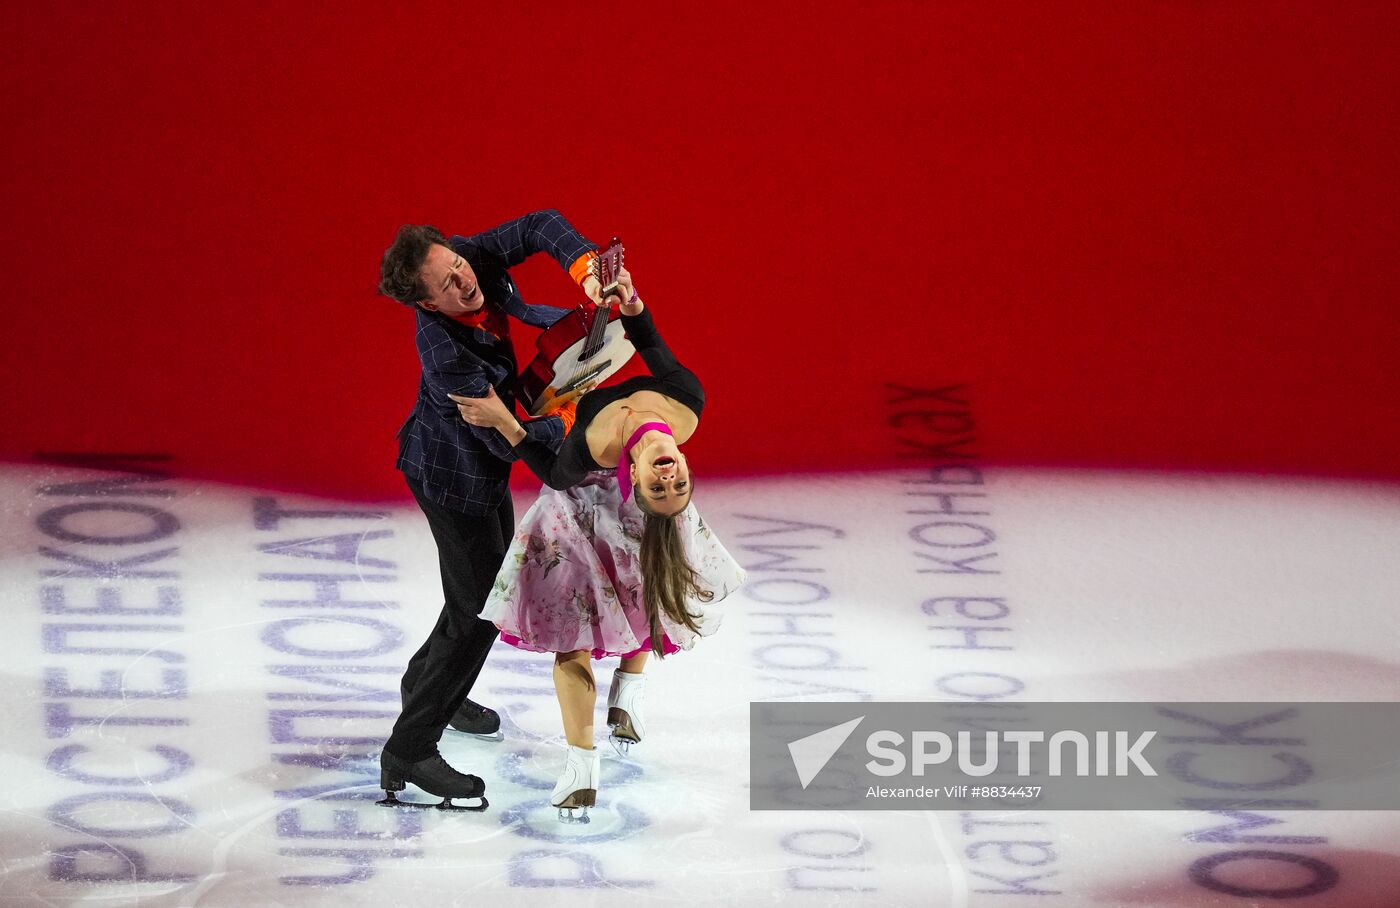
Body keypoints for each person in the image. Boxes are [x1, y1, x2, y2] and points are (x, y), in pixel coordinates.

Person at [451, 265, 746, 821]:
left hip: (577, 506)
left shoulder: (593, 448)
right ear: (682, 464)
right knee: (584, 634)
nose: (668, 479)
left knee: (645, 597)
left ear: (635, 482)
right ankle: (584, 767)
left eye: (662, 486)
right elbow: (650, 341)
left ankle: (625, 700)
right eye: (676, 481)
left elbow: (545, 465)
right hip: (593, 512)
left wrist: (503, 422)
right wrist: (631, 301)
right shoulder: (686, 402)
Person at [375, 210, 606, 812]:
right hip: (454, 481)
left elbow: (541, 225)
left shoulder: (468, 257)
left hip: (477, 475)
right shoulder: (443, 353)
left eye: (457, 265)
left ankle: (428, 692)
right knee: (479, 611)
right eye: (448, 284)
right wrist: (566, 420)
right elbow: (500, 437)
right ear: (426, 304)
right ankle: (410, 745)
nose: (464, 280)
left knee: (476, 599)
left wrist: (587, 269)